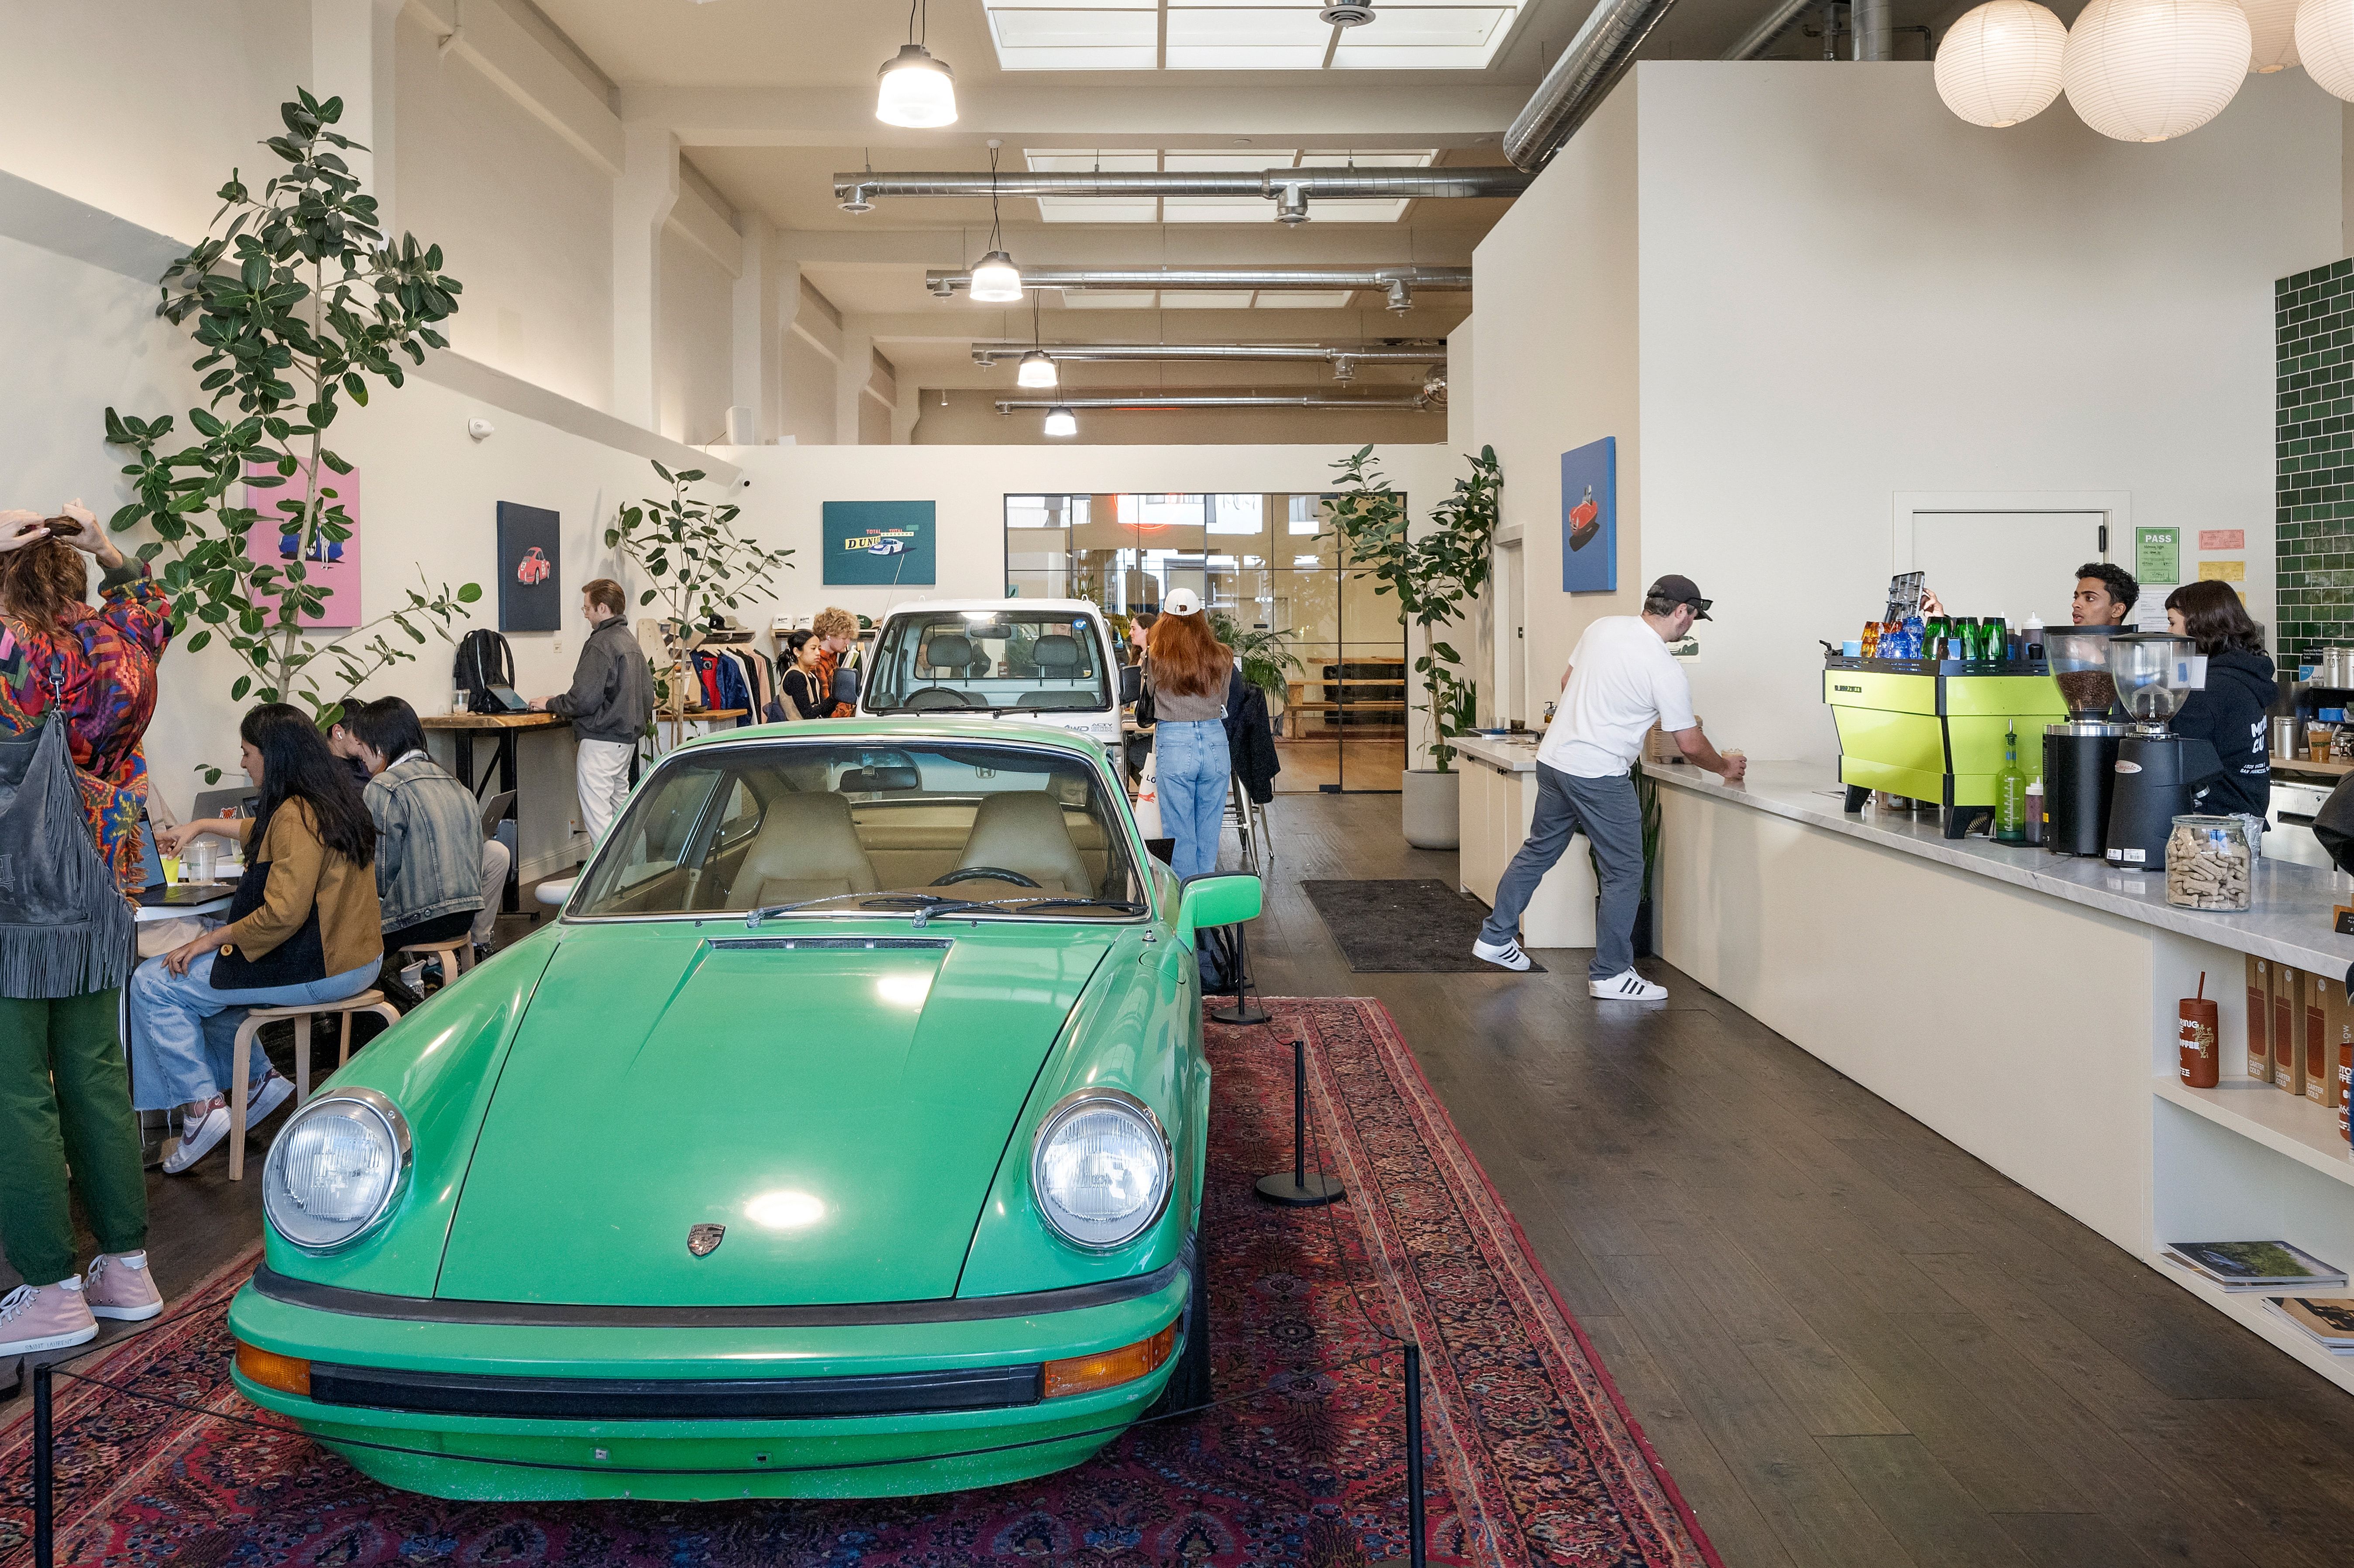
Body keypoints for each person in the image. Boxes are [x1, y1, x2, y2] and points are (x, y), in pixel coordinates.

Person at [0, 502, 171, 1356]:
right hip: (104, 877)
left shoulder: (13, 648)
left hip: (18, 887)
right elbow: (148, 598)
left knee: (15, 1085)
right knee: (96, 1070)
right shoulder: (116, 646)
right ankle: (126, 1266)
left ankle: (49, 1287)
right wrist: (104, 541)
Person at [1474, 575, 1746, 999]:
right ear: (1682, 612)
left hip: (1554, 760)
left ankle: (1495, 936)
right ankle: (1612, 974)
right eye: (1693, 617)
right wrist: (1726, 766)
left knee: (1538, 850)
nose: (1691, 626)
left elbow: (1567, 683)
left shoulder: (1602, 627)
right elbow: (1689, 743)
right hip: (1599, 774)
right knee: (1623, 872)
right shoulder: (1663, 667)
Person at [140, 705, 383, 1173]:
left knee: (155, 981)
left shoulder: (294, 814)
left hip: (321, 968)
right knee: (205, 981)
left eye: (248, 753)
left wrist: (211, 942)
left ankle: (200, 1111)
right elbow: (261, 831)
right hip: (359, 959)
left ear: (273, 757)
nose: (245, 762)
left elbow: (282, 915)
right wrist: (201, 826)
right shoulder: (329, 799)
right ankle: (255, 1081)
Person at [334, 698, 499, 1004]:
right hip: (464, 916)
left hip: (418, 921)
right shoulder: (452, 781)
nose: (362, 760)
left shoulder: (384, 786)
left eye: (362, 747)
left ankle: (388, 1013)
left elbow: (379, 878)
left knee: (336, 939)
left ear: (379, 746)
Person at [531, 578, 653, 845]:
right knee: (623, 811)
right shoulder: (630, 642)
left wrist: (551, 703)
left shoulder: (601, 644)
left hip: (600, 742)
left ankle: (604, 882)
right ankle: (634, 876)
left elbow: (584, 700)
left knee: (599, 818)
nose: (585, 614)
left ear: (602, 608)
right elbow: (648, 695)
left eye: (587, 608)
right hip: (626, 743)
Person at [2164, 580, 2272, 838]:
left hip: (2212, 835)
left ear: (2199, 626)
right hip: (2246, 824)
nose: (2167, 632)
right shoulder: (2245, 676)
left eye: (2172, 622)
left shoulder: (2209, 689)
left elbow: (2178, 762)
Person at [1146, 588, 1233, 880]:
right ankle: (1206, 909)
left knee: (1179, 833)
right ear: (1201, 617)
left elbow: (1148, 694)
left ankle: (1187, 911)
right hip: (1215, 741)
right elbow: (1223, 700)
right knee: (1209, 833)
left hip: (1175, 742)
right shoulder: (1223, 655)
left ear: (1165, 619)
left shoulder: (1155, 655)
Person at [1922, 563, 2138, 628]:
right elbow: (1988, 645)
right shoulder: (2057, 649)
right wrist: (1941, 620)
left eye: (2089, 598)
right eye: (2076, 597)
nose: (2076, 604)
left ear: (2117, 609)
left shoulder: (2133, 658)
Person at [767, 629, 829, 722]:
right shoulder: (795, 676)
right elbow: (808, 714)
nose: (818, 653)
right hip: (797, 732)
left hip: (812, 729)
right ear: (797, 652)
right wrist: (834, 698)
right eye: (813, 648)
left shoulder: (812, 676)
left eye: (819, 649)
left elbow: (821, 711)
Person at [811, 606, 860, 718]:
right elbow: (828, 712)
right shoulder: (818, 664)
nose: (848, 642)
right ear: (828, 636)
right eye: (844, 638)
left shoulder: (833, 660)